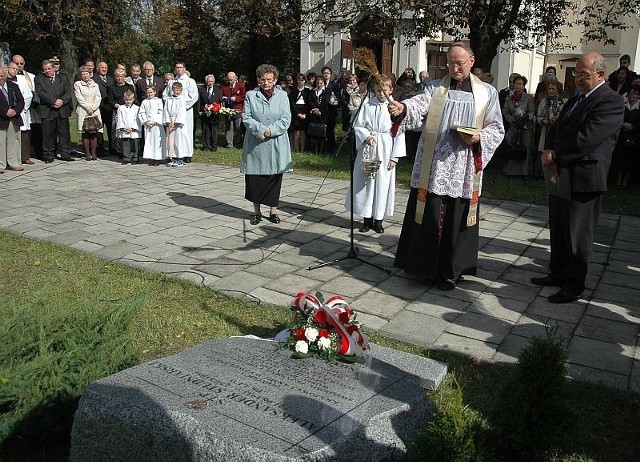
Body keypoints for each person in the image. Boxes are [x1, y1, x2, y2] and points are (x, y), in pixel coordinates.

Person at [389, 41, 505, 291]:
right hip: (434, 166)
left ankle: (452, 271)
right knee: (430, 212)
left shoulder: (487, 93)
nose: (454, 68)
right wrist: (403, 108)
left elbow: (496, 128)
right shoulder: (434, 88)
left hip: (462, 166)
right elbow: (419, 105)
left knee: (455, 216)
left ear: (471, 62)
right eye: (450, 63)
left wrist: (478, 137)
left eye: (459, 63)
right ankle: (425, 268)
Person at [534, 52, 624, 303]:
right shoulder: (576, 99)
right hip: (562, 172)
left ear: (600, 75)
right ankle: (558, 271)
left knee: (578, 233)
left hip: (585, 174)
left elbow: (588, 138)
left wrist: (555, 154)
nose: (579, 79)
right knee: (559, 226)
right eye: (576, 74)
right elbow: (557, 127)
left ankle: (574, 284)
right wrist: (547, 150)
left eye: (584, 75)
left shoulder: (610, 101)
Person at [345, 75, 405, 234]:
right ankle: (367, 219)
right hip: (370, 148)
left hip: (385, 148)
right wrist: (367, 137)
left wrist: (395, 156)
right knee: (367, 181)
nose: (381, 93)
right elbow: (359, 125)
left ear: (390, 90)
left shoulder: (394, 107)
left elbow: (399, 131)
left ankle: (378, 220)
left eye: (384, 90)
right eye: (378, 90)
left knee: (382, 183)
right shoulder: (368, 105)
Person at [241, 64, 292, 225]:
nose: (266, 82)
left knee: (274, 177)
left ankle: (273, 212)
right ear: (258, 80)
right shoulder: (250, 95)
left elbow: (286, 118)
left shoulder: (283, 95)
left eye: (269, 80)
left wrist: (272, 130)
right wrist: (262, 130)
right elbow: (247, 117)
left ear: (275, 80)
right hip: (256, 143)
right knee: (255, 179)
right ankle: (256, 212)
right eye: (262, 79)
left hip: (277, 142)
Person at [34, 59, 74, 163]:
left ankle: (65, 153)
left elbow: (68, 92)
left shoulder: (63, 78)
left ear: (54, 68)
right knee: (48, 134)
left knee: (64, 133)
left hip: (62, 109)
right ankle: (48, 155)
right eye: (45, 69)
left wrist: (61, 101)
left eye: (49, 68)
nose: (47, 71)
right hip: (47, 109)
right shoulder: (39, 79)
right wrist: (53, 101)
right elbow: (41, 93)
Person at [163, 62, 198, 163]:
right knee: (174, 134)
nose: (179, 69)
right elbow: (165, 95)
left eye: (180, 67)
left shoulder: (190, 81)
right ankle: (174, 154)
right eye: (177, 67)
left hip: (186, 111)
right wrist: (171, 104)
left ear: (184, 68)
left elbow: (194, 96)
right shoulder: (171, 82)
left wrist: (182, 106)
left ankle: (187, 154)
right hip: (173, 112)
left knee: (186, 133)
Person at [502, 75, 535, 177]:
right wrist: (513, 120)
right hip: (514, 126)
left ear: (524, 85)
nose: (518, 86)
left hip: (526, 127)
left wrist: (526, 117)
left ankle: (525, 172)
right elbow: (506, 112)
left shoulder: (528, 97)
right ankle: (512, 171)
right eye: (516, 84)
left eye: (520, 84)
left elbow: (532, 111)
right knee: (514, 147)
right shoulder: (509, 99)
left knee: (525, 148)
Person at [12, 54, 39, 162]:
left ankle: (25, 156)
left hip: (27, 110)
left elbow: (30, 94)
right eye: (16, 63)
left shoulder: (31, 77)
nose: (19, 66)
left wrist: (24, 107)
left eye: (21, 63)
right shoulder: (8, 77)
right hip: (13, 110)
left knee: (26, 132)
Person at [535, 78, 565, 174]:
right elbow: (538, 116)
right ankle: (542, 173)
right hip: (546, 128)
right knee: (544, 149)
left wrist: (558, 119)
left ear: (558, 89)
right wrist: (543, 120)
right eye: (549, 89)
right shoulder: (544, 101)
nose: (551, 91)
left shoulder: (564, 101)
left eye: (553, 89)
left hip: (558, 130)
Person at [6, 61, 33, 165]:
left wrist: (20, 109)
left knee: (22, 134)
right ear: (8, 68)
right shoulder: (3, 79)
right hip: (6, 112)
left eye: (17, 69)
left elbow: (28, 95)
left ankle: (24, 157)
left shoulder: (21, 79)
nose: (15, 71)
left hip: (20, 111)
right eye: (13, 68)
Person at [74, 65, 103, 161]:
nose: (85, 76)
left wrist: (93, 107)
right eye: (83, 74)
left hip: (94, 110)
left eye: (87, 74)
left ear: (90, 74)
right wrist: (87, 107)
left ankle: (94, 153)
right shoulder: (78, 84)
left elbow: (98, 97)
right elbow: (79, 97)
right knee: (85, 132)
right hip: (83, 110)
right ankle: (87, 153)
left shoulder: (95, 85)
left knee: (94, 132)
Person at [614, 84, 640, 188]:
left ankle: (626, 181)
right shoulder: (623, 105)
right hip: (622, 135)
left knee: (630, 159)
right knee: (620, 157)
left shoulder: (639, 107)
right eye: (631, 93)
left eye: (635, 93)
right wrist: (623, 124)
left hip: (634, 137)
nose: (632, 95)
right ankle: (619, 180)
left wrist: (633, 126)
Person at [0, 65, 25, 173]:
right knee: (1, 142)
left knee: (14, 141)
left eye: (2, 76)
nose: (1, 78)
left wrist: (15, 111)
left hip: (14, 118)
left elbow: (21, 101)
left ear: (6, 75)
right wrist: (5, 112)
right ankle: (1, 164)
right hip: (1, 118)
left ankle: (14, 162)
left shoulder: (13, 86)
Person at [288, 72, 315, 153]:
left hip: (304, 111)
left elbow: (309, 102)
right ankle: (297, 149)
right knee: (296, 131)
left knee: (303, 131)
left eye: (302, 80)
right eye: (299, 80)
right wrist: (298, 113)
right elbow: (292, 103)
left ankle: (302, 150)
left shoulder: (308, 91)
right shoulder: (293, 91)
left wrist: (305, 114)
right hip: (296, 111)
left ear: (304, 81)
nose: (300, 82)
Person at [139, 85, 165, 166]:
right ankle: (150, 157)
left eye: (151, 92)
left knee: (156, 141)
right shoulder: (144, 102)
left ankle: (157, 158)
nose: (149, 94)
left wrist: (155, 122)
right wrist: (146, 121)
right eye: (148, 92)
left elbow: (160, 112)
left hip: (156, 125)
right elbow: (141, 112)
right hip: (148, 125)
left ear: (155, 92)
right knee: (149, 141)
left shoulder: (158, 101)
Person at [163, 81, 188, 166]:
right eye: (175, 90)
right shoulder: (168, 100)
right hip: (170, 121)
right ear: (172, 90)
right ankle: (172, 157)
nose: (177, 92)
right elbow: (165, 110)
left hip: (177, 124)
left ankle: (179, 158)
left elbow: (181, 113)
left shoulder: (182, 100)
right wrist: (167, 122)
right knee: (170, 141)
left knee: (178, 141)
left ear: (181, 90)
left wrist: (176, 124)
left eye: (178, 90)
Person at [93, 61, 115, 157]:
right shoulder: (94, 79)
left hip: (110, 108)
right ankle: (100, 149)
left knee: (111, 129)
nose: (104, 69)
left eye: (105, 67)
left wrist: (111, 104)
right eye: (102, 67)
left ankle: (112, 148)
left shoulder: (111, 79)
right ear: (98, 69)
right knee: (99, 130)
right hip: (100, 108)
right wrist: (102, 105)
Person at [221, 71, 246, 148]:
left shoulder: (241, 85)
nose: (230, 81)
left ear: (235, 78)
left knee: (238, 126)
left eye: (231, 80)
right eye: (229, 80)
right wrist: (224, 98)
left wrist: (235, 98)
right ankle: (229, 143)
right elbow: (221, 95)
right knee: (229, 126)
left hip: (237, 108)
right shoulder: (224, 86)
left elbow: (244, 96)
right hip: (228, 109)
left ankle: (238, 142)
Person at [116, 90, 141, 165]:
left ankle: (135, 157)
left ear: (133, 99)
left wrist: (132, 128)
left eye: (130, 100)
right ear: (124, 99)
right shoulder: (121, 108)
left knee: (135, 144)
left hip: (134, 130)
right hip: (125, 129)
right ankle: (126, 158)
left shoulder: (137, 108)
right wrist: (123, 128)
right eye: (127, 100)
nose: (128, 102)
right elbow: (119, 119)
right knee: (126, 144)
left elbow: (137, 119)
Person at [198, 74, 223, 151]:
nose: (210, 83)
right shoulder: (201, 89)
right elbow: (199, 101)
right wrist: (201, 109)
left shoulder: (218, 90)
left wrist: (218, 108)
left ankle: (214, 145)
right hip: (205, 112)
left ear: (214, 82)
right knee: (205, 128)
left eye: (212, 81)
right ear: (206, 81)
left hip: (215, 113)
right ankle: (206, 146)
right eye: (209, 81)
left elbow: (220, 101)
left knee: (214, 129)